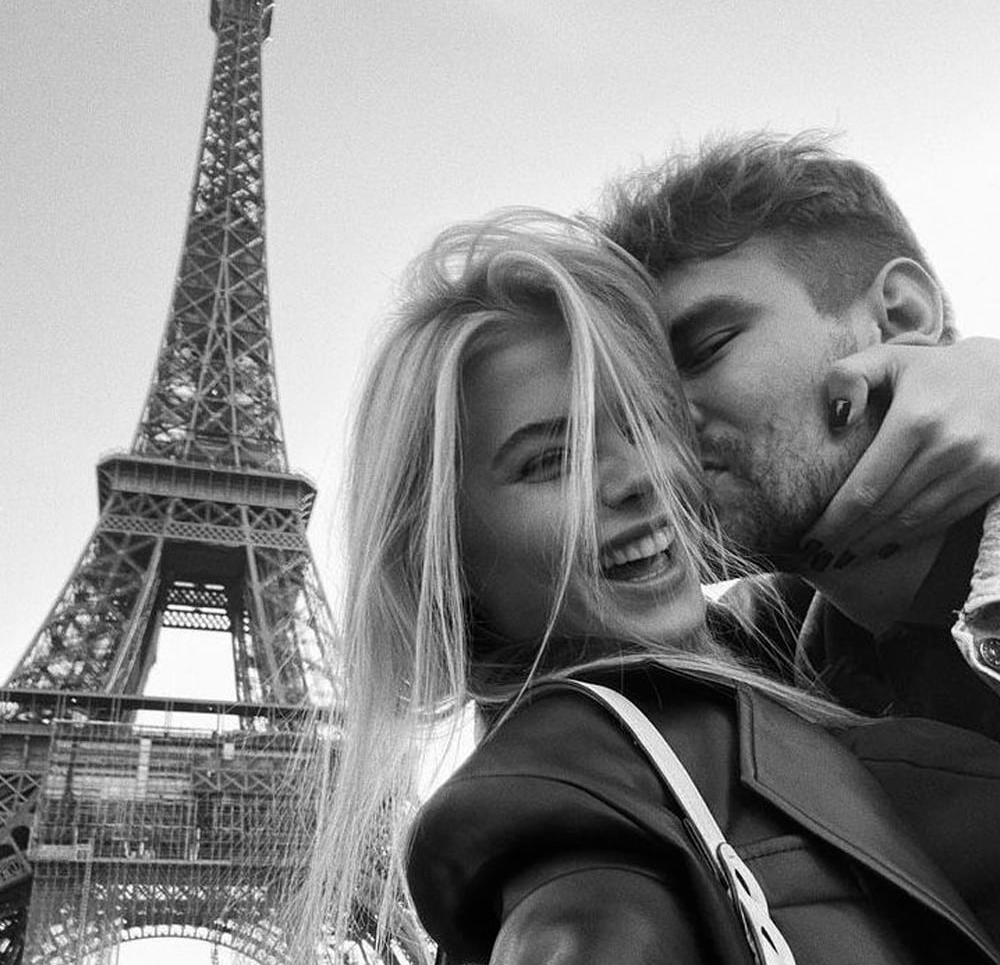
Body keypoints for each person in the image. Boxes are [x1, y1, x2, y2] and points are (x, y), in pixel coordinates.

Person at [291, 211, 1000, 965]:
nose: (639, 480)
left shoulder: (790, 657)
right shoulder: (572, 810)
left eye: (643, 420)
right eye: (548, 460)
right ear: (447, 556)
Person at [600, 132, 1000, 734]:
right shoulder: (743, 666)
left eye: (706, 350)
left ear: (901, 316)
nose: (656, 428)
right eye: (636, 399)